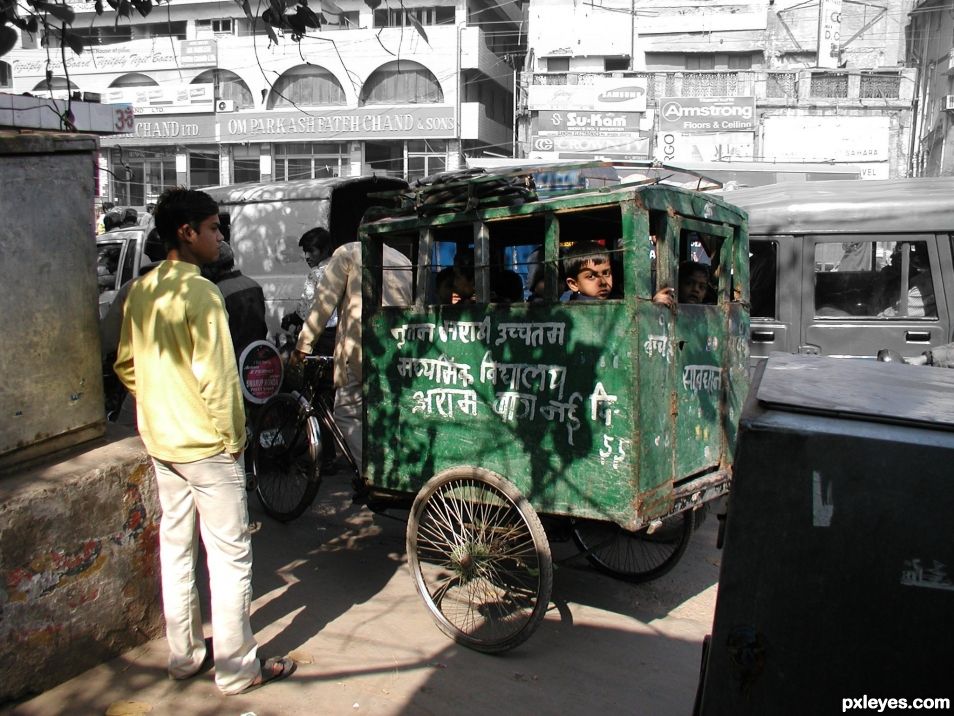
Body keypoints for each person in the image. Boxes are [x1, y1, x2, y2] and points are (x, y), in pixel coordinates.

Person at [113, 188, 294, 696]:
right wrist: (234, 441)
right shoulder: (200, 293)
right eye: (213, 228)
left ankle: (185, 655)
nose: (220, 237)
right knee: (230, 557)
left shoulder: (142, 290)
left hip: (162, 441)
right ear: (186, 233)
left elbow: (127, 364)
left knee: (177, 549)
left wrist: (158, 401)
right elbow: (217, 380)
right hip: (208, 447)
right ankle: (238, 668)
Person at [289, 239, 412, 473]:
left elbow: (324, 303)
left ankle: (373, 473)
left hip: (360, 347)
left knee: (346, 412)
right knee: (383, 413)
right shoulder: (401, 258)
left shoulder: (348, 252)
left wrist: (303, 346)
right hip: (396, 347)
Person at [201, 241, 268, 362]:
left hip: (233, 360)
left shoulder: (216, 291)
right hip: (256, 358)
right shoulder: (253, 284)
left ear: (212, 267)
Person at [281, 227, 337, 354]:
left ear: (326, 249)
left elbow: (304, 312)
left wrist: (291, 319)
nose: (307, 256)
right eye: (305, 251)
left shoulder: (316, 274)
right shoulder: (342, 268)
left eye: (311, 251)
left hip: (323, 337)